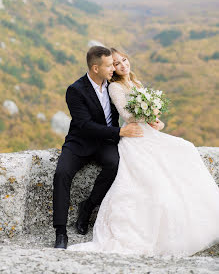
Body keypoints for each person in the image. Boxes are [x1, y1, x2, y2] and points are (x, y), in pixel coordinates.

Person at [68, 48, 219, 256]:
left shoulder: (135, 83)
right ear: (112, 68)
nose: (122, 65)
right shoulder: (115, 88)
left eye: (124, 60)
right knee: (156, 183)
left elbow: (148, 116)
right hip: (135, 137)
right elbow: (127, 116)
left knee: (187, 149)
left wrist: (156, 119)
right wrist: (148, 111)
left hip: (149, 133)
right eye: (116, 64)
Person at [53, 46, 143, 249]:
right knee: (61, 174)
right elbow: (84, 125)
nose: (114, 68)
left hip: (105, 143)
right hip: (80, 142)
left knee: (115, 164)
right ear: (95, 68)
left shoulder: (112, 84)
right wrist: (119, 132)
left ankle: (88, 207)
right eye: (110, 65)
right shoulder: (75, 90)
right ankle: (60, 232)